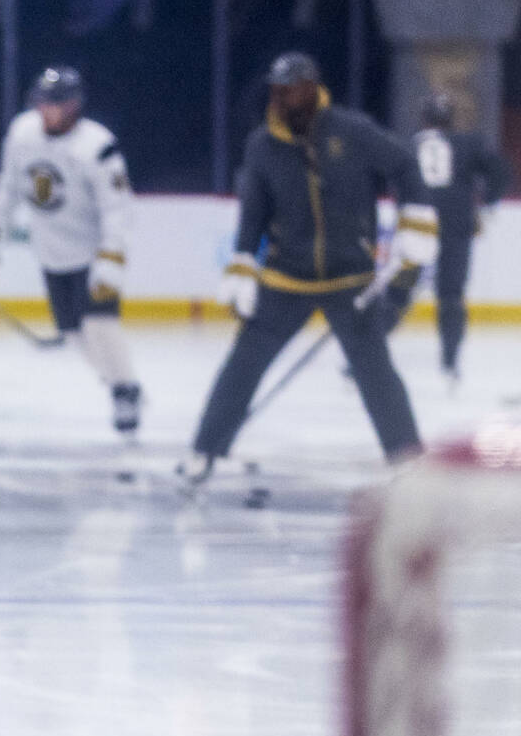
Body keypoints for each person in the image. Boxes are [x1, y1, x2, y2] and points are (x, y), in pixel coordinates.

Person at [179, 51, 438, 486]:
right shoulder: (263, 145)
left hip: (349, 280)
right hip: (286, 279)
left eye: (294, 88)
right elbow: (254, 214)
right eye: (279, 90)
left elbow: (404, 164)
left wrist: (416, 224)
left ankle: (406, 457)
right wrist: (242, 265)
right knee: (243, 365)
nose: (285, 97)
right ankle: (204, 449)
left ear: (313, 86)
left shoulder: (351, 131)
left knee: (375, 372)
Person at [0, 66, 141, 433]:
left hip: (94, 254)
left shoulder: (98, 146)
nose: (47, 111)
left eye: (56, 104)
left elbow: (118, 206)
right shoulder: (22, 134)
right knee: (73, 335)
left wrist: (112, 257)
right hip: (52, 254)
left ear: (74, 106)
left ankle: (125, 390)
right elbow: (8, 187)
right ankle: (118, 381)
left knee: (100, 325)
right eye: (42, 103)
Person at [380, 90, 511, 385]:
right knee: (451, 295)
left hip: (417, 225)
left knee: (398, 291)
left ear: (424, 118)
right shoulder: (468, 142)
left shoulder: (407, 144)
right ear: (451, 119)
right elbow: (500, 170)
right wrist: (487, 201)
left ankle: (365, 356)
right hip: (456, 225)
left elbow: (391, 179)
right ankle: (450, 362)